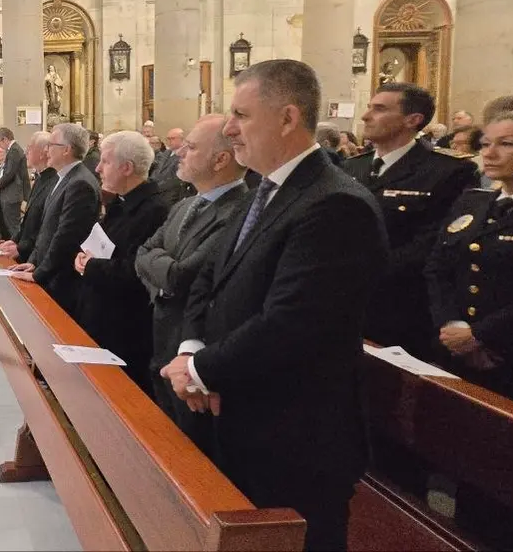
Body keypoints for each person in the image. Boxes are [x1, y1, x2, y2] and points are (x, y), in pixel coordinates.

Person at [161, 59, 388, 551]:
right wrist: (193, 350)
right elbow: (208, 280)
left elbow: (292, 323)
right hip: (238, 408)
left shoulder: (333, 204)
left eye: (241, 115)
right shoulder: (263, 190)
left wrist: (200, 369)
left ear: (287, 118)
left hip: (294, 433)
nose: (229, 128)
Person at [135, 114, 249, 450]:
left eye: (191, 146)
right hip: (161, 341)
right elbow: (142, 253)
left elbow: (183, 277)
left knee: (192, 451)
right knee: (165, 442)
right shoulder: (185, 204)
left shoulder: (238, 211)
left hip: (194, 348)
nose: (180, 153)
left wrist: (162, 272)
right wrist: (163, 274)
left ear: (221, 159)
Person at [342, 83, 478, 361]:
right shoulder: (352, 167)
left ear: (412, 120)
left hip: (401, 307)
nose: (366, 116)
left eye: (379, 109)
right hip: (345, 302)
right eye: (369, 107)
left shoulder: (448, 170)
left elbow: (433, 243)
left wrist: (359, 274)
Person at [426, 106, 513, 409]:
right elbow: (438, 269)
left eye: (507, 144)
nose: (489, 153)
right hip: (455, 349)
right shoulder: (473, 201)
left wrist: (479, 335)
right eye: (486, 144)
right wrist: (452, 326)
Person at [73, 131, 169, 393]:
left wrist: (91, 266)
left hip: (125, 327)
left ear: (126, 168)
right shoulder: (121, 203)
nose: (98, 168)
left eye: (105, 161)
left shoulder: (154, 210)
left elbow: (137, 270)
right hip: (101, 312)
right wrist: (85, 257)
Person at [9, 123, 101, 316]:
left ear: (66, 150)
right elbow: (46, 228)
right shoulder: (63, 178)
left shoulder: (80, 183)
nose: (46, 149)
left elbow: (66, 237)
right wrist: (34, 261)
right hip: (48, 270)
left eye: (51, 144)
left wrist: (40, 273)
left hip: (60, 278)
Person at [0, 132, 57, 263]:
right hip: (27, 250)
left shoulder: (53, 181)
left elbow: (43, 226)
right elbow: (28, 220)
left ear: (43, 153)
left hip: (36, 256)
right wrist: (14, 240)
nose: (26, 152)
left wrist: (21, 248)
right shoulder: (41, 178)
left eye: (29, 148)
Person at [0, 128, 29, 238]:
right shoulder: (13, 150)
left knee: (13, 227)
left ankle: (17, 251)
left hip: (12, 194)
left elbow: (10, 172)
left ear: (5, 139)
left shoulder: (14, 150)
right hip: (10, 193)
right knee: (11, 226)